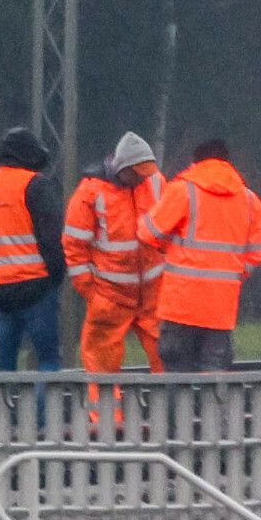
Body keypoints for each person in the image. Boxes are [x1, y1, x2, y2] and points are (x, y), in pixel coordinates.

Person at [139, 137, 261, 372]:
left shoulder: (183, 191)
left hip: (180, 306)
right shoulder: (250, 201)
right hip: (221, 309)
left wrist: (167, 246)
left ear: (195, 162)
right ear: (227, 163)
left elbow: (148, 232)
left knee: (178, 378)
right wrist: (230, 277)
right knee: (213, 379)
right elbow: (255, 255)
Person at [65, 132, 166, 379]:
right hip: (110, 298)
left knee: (169, 363)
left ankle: (170, 405)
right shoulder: (90, 193)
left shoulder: (155, 182)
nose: (144, 177)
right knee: (102, 373)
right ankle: (105, 407)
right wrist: (92, 295)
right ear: (123, 169)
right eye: (138, 172)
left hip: (154, 296)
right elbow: (74, 248)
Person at [0, 127, 66, 372]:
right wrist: (54, 278)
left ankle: (4, 399)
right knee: (48, 359)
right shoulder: (35, 184)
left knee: (5, 362)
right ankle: (44, 401)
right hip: (35, 287)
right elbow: (53, 239)